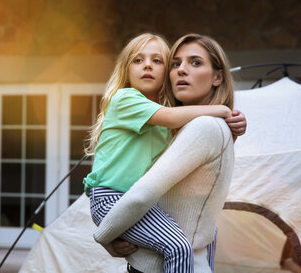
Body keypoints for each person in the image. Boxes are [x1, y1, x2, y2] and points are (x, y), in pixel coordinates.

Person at [83, 33, 246, 272]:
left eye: (158, 61)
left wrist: (234, 131)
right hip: (111, 197)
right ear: (126, 70)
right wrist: (220, 110)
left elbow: (207, 163)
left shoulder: (183, 122)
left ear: (218, 77)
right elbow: (171, 119)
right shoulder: (128, 99)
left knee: (198, 238)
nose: (147, 65)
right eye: (137, 60)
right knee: (179, 245)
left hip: (131, 206)